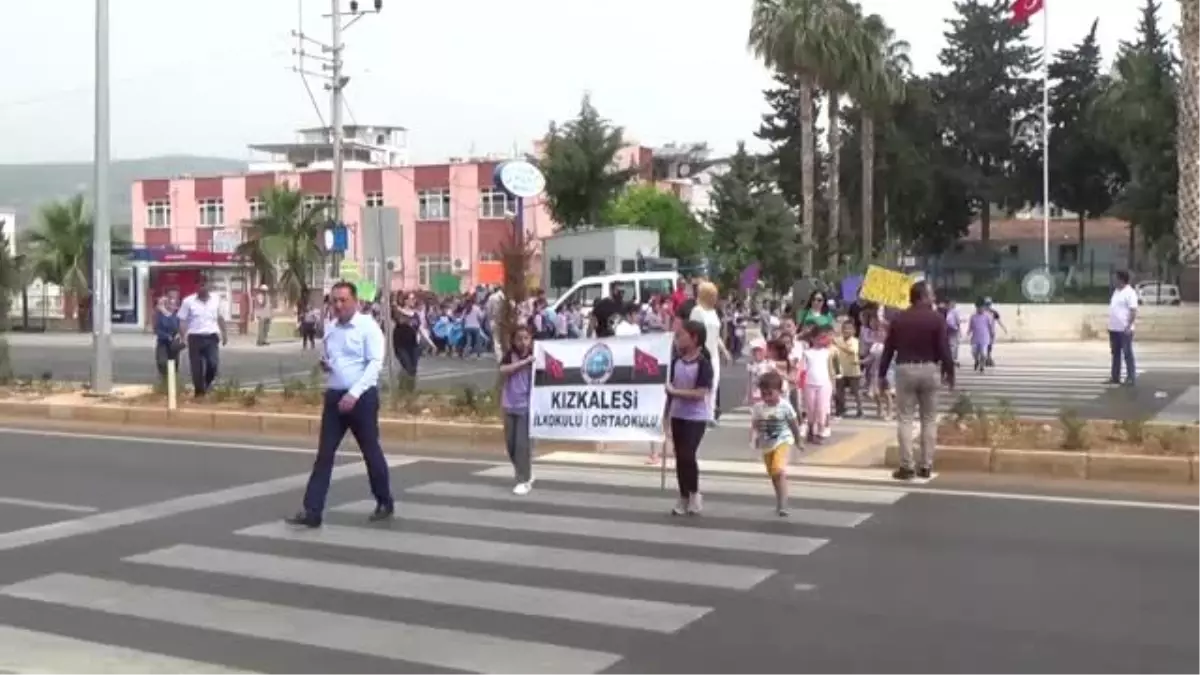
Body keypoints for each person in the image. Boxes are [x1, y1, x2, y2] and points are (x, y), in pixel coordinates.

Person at [286, 281, 394, 528]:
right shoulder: (331, 328)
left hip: (361, 397)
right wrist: (327, 365)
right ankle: (312, 510)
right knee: (324, 455)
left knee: (370, 450)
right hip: (335, 396)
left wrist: (354, 394)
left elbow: (374, 364)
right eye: (334, 300)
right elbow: (333, 358)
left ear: (355, 301)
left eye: (343, 300)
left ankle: (384, 500)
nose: (338, 305)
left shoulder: (368, 327)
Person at [879, 281, 955, 480]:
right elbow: (944, 348)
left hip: (904, 369)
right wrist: (949, 372)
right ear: (922, 296)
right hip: (930, 369)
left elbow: (888, 349)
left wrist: (881, 375)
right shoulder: (937, 319)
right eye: (931, 295)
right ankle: (926, 464)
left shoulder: (899, 319)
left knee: (905, 419)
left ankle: (907, 466)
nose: (934, 298)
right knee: (929, 419)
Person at [665, 319, 715, 516]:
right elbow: (668, 388)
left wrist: (676, 392)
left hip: (696, 417)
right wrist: (665, 415)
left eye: (681, 335)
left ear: (694, 338)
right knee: (680, 457)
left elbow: (701, 393)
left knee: (688, 455)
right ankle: (683, 495)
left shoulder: (703, 363)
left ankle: (694, 492)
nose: (678, 340)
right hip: (677, 414)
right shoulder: (675, 361)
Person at [749, 370, 803, 517]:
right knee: (773, 474)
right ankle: (779, 499)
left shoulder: (785, 406)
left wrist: (798, 440)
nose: (766, 397)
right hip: (767, 445)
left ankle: (783, 503)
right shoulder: (759, 408)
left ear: (779, 391)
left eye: (770, 394)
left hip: (782, 441)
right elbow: (755, 424)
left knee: (778, 470)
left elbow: (793, 423)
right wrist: (753, 439)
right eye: (763, 394)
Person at [176, 276, 228, 398]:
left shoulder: (216, 300)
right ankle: (199, 393)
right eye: (200, 285)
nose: (202, 287)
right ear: (196, 287)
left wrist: (224, 334)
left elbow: (220, 317)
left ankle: (206, 384)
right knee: (197, 367)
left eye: (204, 284)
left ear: (209, 286)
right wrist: (183, 337)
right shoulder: (188, 301)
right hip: (195, 337)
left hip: (211, 337)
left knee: (213, 363)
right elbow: (182, 320)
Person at [499, 325, 536, 495]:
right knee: (511, 446)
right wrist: (523, 363)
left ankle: (523, 479)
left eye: (526, 338)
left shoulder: (536, 358)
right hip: (509, 404)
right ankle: (525, 471)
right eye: (519, 338)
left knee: (522, 445)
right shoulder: (510, 356)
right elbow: (503, 370)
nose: (522, 342)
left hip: (525, 407)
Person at [689, 282, 729, 424]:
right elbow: (693, 332)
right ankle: (702, 414)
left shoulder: (713, 312)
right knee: (703, 385)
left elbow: (716, 334)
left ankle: (710, 415)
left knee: (714, 384)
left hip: (714, 353)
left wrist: (724, 350)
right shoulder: (697, 311)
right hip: (702, 353)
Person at [800, 325, 836, 444]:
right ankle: (811, 430)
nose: (822, 340)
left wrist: (834, 384)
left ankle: (820, 432)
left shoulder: (828, 353)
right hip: (809, 384)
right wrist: (801, 385)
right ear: (812, 339)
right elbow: (802, 370)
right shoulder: (807, 353)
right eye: (819, 338)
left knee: (822, 408)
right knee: (811, 409)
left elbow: (833, 370)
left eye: (824, 337)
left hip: (825, 384)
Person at [1107, 269, 1138, 386]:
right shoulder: (1116, 291)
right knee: (1115, 354)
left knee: (1127, 353)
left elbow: (1133, 311)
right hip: (1114, 329)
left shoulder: (1130, 292)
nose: (1113, 280)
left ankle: (1131, 377)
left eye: (1115, 278)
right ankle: (1115, 377)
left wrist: (1128, 326)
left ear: (1121, 279)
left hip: (1124, 329)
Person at [833, 320, 863, 418]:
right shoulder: (837, 340)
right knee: (839, 392)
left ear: (854, 331)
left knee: (856, 392)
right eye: (845, 328)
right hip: (840, 370)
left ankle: (860, 410)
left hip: (853, 370)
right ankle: (840, 410)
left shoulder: (855, 341)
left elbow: (851, 351)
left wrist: (838, 346)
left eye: (849, 328)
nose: (847, 330)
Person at [392, 293, 421, 379]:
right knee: (408, 367)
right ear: (405, 301)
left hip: (413, 344)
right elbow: (399, 318)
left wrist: (431, 344)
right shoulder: (397, 312)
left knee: (413, 370)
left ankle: (408, 388)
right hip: (401, 345)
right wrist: (395, 305)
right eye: (411, 298)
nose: (413, 301)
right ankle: (404, 385)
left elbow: (420, 329)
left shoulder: (416, 315)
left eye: (414, 298)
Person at [153, 296, 182, 380]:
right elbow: (156, 329)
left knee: (174, 363)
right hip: (162, 342)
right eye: (169, 304)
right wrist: (167, 336)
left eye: (173, 305)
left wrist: (168, 315)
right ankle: (164, 378)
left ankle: (172, 381)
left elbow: (175, 327)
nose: (171, 307)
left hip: (174, 342)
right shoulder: (159, 315)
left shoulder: (177, 316)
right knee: (162, 362)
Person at [967, 301, 995, 373]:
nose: (980, 309)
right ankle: (976, 361)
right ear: (976, 308)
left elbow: (990, 327)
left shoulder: (987, 316)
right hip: (975, 338)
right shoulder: (973, 317)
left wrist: (992, 335)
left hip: (984, 338)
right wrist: (968, 332)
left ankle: (982, 366)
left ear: (984, 307)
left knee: (983, 354)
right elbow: (971, 327)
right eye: (978, 308)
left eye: (981, 307)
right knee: (974, 352)